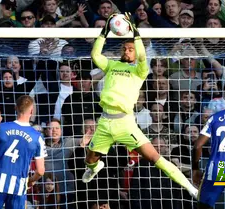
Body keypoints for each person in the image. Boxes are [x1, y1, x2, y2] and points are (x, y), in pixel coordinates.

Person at [81, 12, 198, 198]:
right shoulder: (111, 66)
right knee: (90, 160)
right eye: (124, 49)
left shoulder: (139, 70)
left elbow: (143, 57)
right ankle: (95, 167)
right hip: (104, 122)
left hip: (125, 123)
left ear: (135, 52)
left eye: (130, 49)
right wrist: (104, 32)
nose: (127, 52)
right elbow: (95, 54)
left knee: (155, 158)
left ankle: (191, 188)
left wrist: (135, 30)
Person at [0, 95, 47, 209]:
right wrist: (31, 181)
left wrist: (2, 160)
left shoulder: (1, 128)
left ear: (15, 108)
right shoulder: (37, 137)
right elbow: (40, 171)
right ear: (31, 111)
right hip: (19, 186)